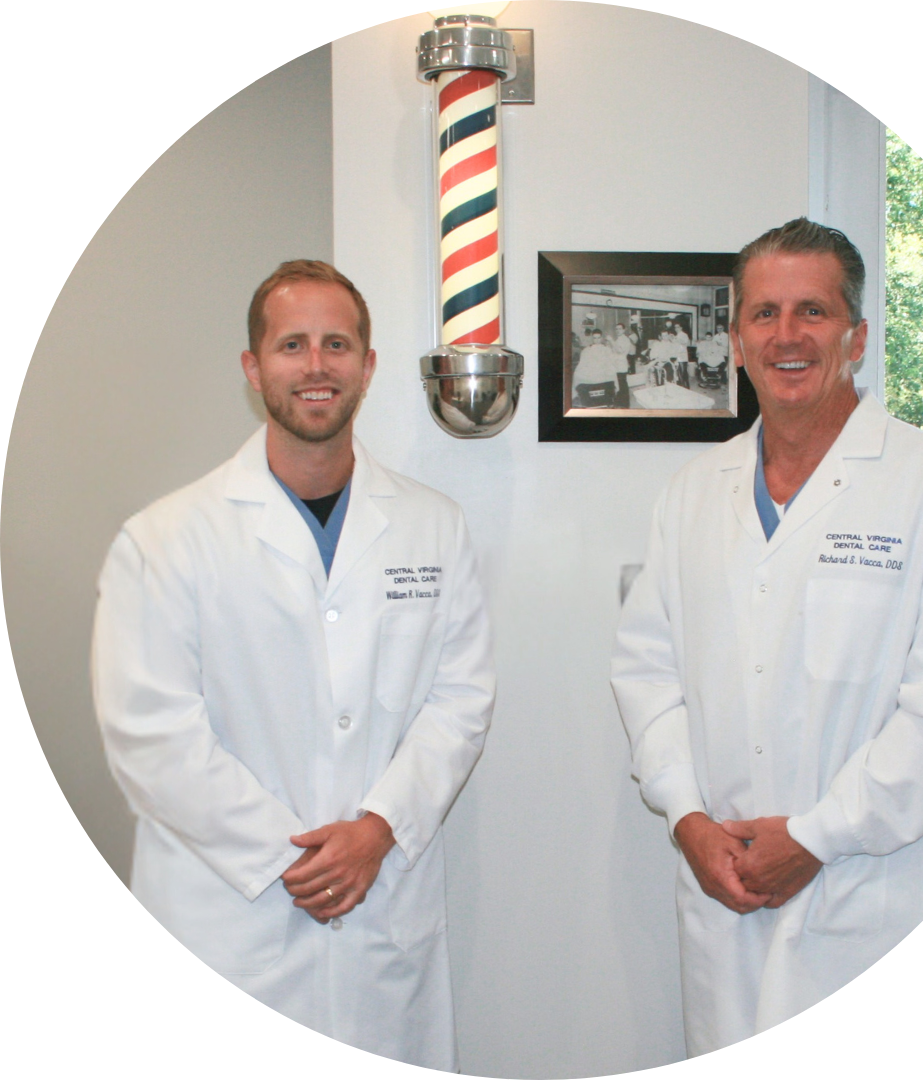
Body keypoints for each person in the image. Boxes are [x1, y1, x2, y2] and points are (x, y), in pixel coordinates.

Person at [611, 218, 923, 1054]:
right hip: (725, 893)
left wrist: (816, 836)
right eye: (764, 314)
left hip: (873, 898)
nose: (787, 335)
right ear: (736, 340)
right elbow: (648, 673)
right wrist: (687, 816)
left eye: (813, 312)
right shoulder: (692, 493)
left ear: (857, 336)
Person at [92, 259, 496, 1069]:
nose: (316, 366)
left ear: (368, 367)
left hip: (384, 915)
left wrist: (378, 830)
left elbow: (461, 700)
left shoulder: (433, 527)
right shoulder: (165, 540)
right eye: (291, 345)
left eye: (337, 344)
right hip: (230, 926)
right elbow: (153, 740)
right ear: (254, 368)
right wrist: (300, 858)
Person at [573, 328, 621, 406]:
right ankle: (586, 399)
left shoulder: (606, 349)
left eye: (598, 338)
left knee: (611, 373)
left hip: (603, 372)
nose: (597, 340)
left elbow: (610, 362)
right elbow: (583, 364)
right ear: (592, 338)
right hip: (592, 372)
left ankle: (607, 399)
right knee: (577, 374)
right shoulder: (586, 350)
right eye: (595, 338)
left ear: (601, 338)